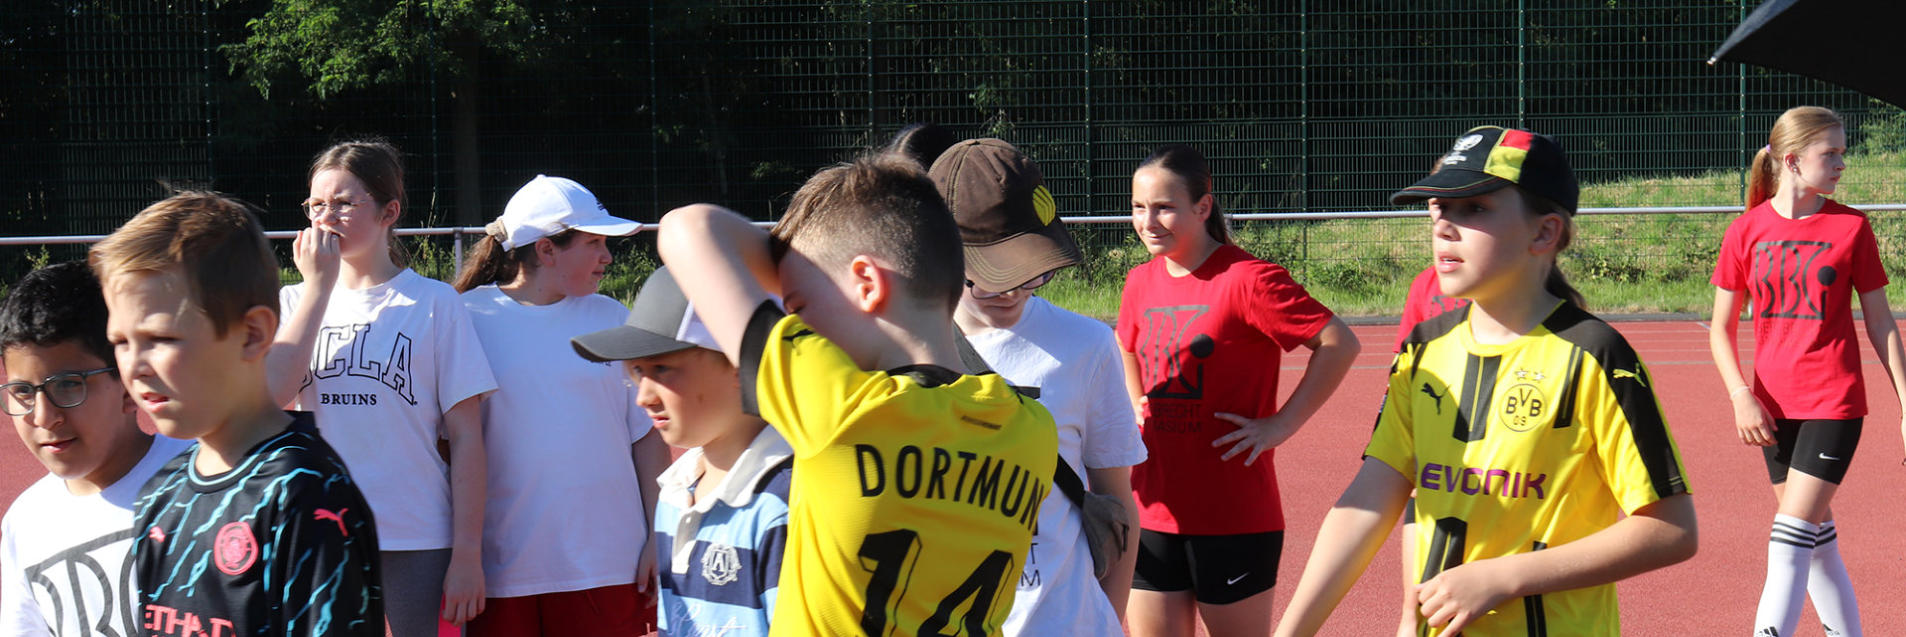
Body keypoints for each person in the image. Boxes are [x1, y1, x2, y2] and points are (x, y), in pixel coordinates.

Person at [1275, 126, 1699, 636]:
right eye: (1439, 208)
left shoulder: (1596, 356)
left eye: (1474, 208)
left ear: (1544, 234)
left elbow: (1672, 528)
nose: (1444, 227)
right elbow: (1368, 502)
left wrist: (1504, 577)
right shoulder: (1424, 350)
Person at [655, 154, 1059, 635]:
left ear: (867, 282)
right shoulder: (1033, 428)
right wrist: (817, 265)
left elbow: (687, 228)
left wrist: (790, 259)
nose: (797, 326)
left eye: (798, 306)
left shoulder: (841, 407)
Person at [93, 191, 382, 635]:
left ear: (252, 334)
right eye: (121, 342)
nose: (135, 365)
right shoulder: (160, 493)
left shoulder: (305, 496)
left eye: (161, 339)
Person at [1117, 144, 1360, 637]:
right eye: (1139, 207)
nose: (1148, 222)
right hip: (1152, 508)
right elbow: (1126, 344)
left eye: (1164, 207)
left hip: (1233, 516)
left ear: (1203, 206)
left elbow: (1339, 343)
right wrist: (1134, 398)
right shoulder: (1139, 281)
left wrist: (1280, 426)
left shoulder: (1249, 280)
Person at [269, 139, 495, 634]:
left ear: (389, 211)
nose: (325, 218)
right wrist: (318, 287)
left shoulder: (434, 303)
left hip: (413, 534)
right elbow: (272, 399)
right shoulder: (292, 302)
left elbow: (466, 437)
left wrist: (467, 554)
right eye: (316, 205)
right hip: (315, 531)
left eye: (343, 203)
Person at [927, 138, 1145, 635]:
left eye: (1032, 273)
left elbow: (1118, 505)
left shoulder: (1087, 344)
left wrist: (1108, 621)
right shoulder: (899, 350)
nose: (1012, 291)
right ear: (938, 252)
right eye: (991, 276)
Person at [1709, 106, 1906, 637]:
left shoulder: (1852, 227)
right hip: (1772, 409)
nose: (1842, 163)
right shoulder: (1746, 230)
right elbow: (1720, 329)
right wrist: (1740, 395)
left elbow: (1882, 323)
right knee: (1816, 543)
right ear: (1793, 161)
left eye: (1843, 151)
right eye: (1831, 153)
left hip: (1833, 402)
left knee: (1789, 539)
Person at [452, 175, 668, 636]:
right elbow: (449, 445)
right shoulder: (467, 318)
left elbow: (647, 437)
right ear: (547, 250)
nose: (607, 257)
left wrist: (657, 534)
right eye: (594, 243)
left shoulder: (613, 318)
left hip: (609, 565)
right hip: (501, 570)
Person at [571, 266, 793, 637]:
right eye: (637, 372)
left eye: (662, 368)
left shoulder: (784, 502)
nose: (643, 396)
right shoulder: (675, 492)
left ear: (741, 364)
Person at [0, 262, 193, 636]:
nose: (44, 417)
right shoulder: (26, 523)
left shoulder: (210, 482)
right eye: (22, 392)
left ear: (129, 383)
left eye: (68, 385)